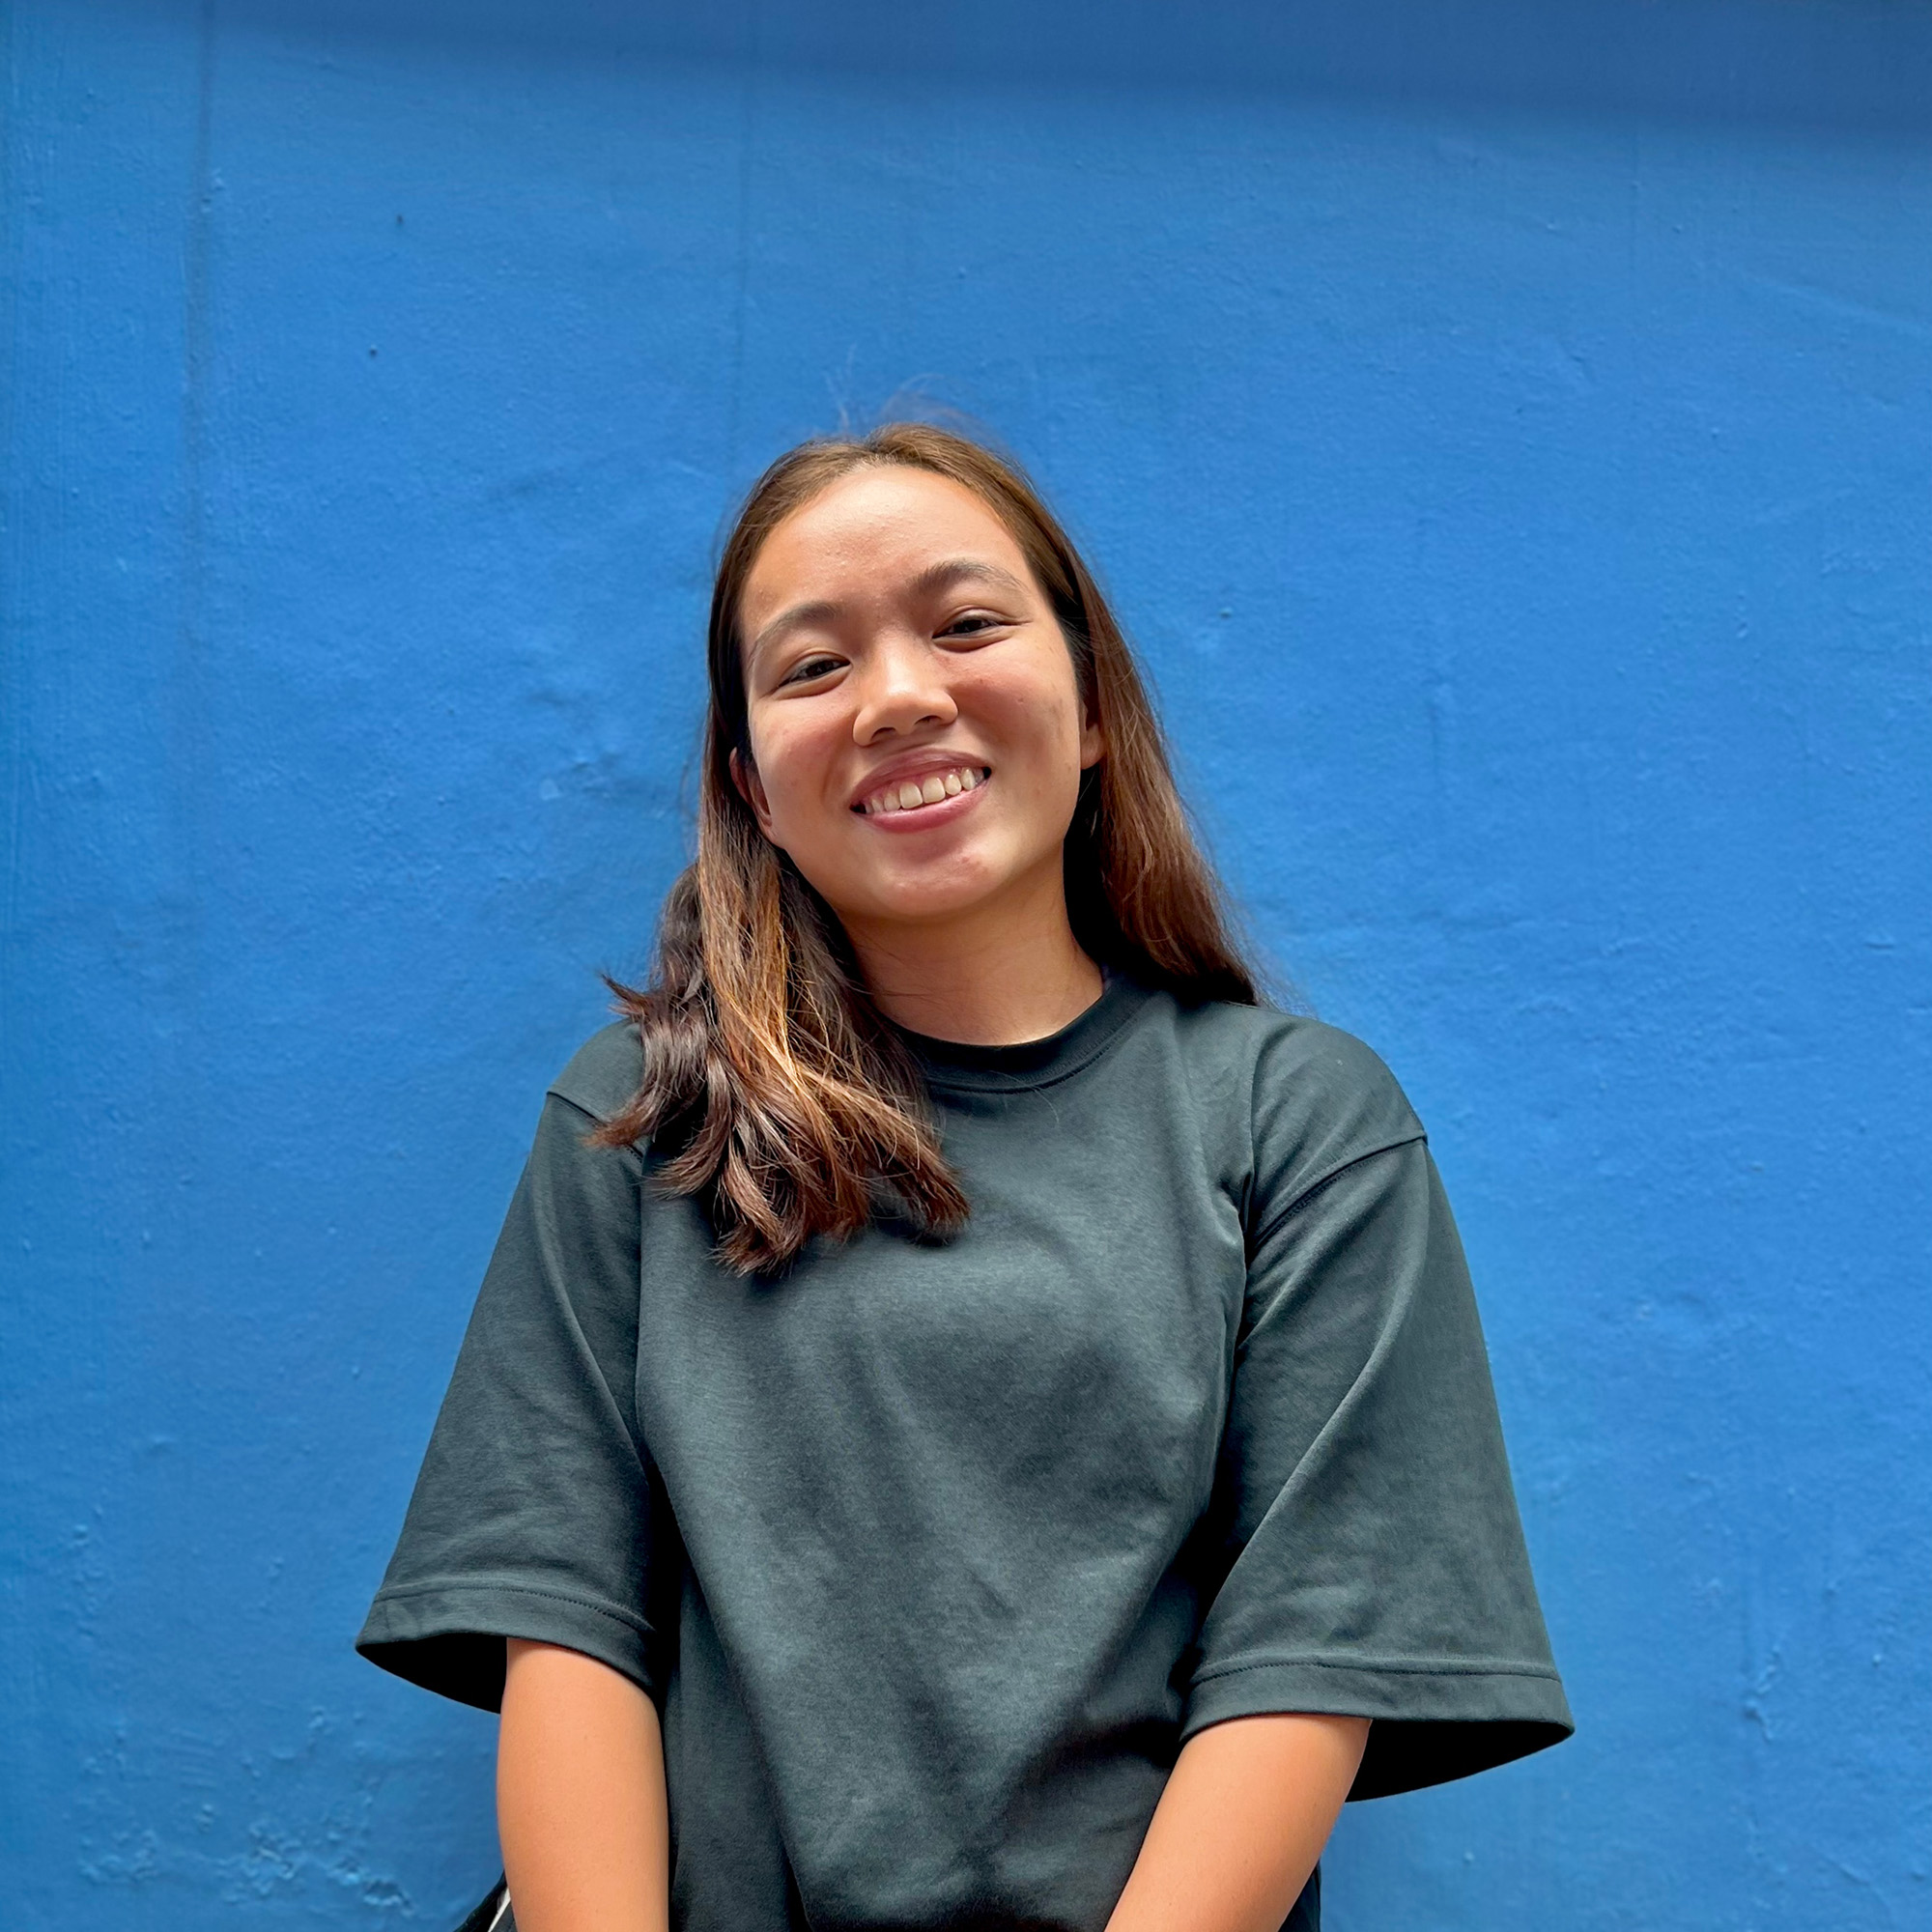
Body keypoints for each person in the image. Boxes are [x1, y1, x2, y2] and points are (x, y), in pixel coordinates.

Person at [357, 422, 1572, 1932]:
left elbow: (1308, 1655)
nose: (901, 697)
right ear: (750, 785)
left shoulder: (1297, 1123)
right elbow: (562, 1617)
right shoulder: (644, 1120)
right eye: (812, 667)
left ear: (1090, 707)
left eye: (967, 624)